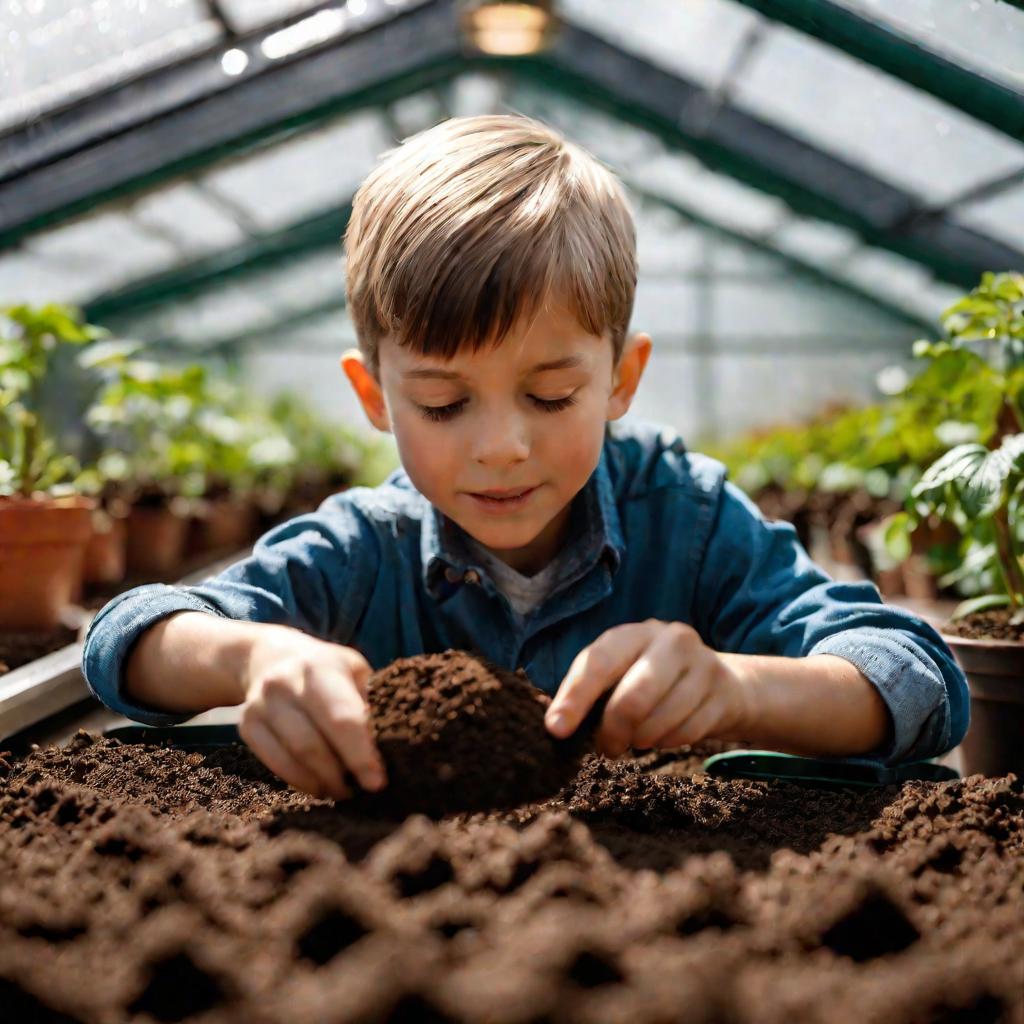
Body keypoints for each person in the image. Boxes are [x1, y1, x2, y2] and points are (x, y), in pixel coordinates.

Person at [82, 115, 968, 801]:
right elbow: (130, 638)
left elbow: (917, 678)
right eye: (441, 403)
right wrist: (254, 660)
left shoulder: (690, 523)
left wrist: (738, 690)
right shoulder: (364, 550)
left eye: (550, 396)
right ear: (373, 398)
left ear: (622, 380)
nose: (502, 446)